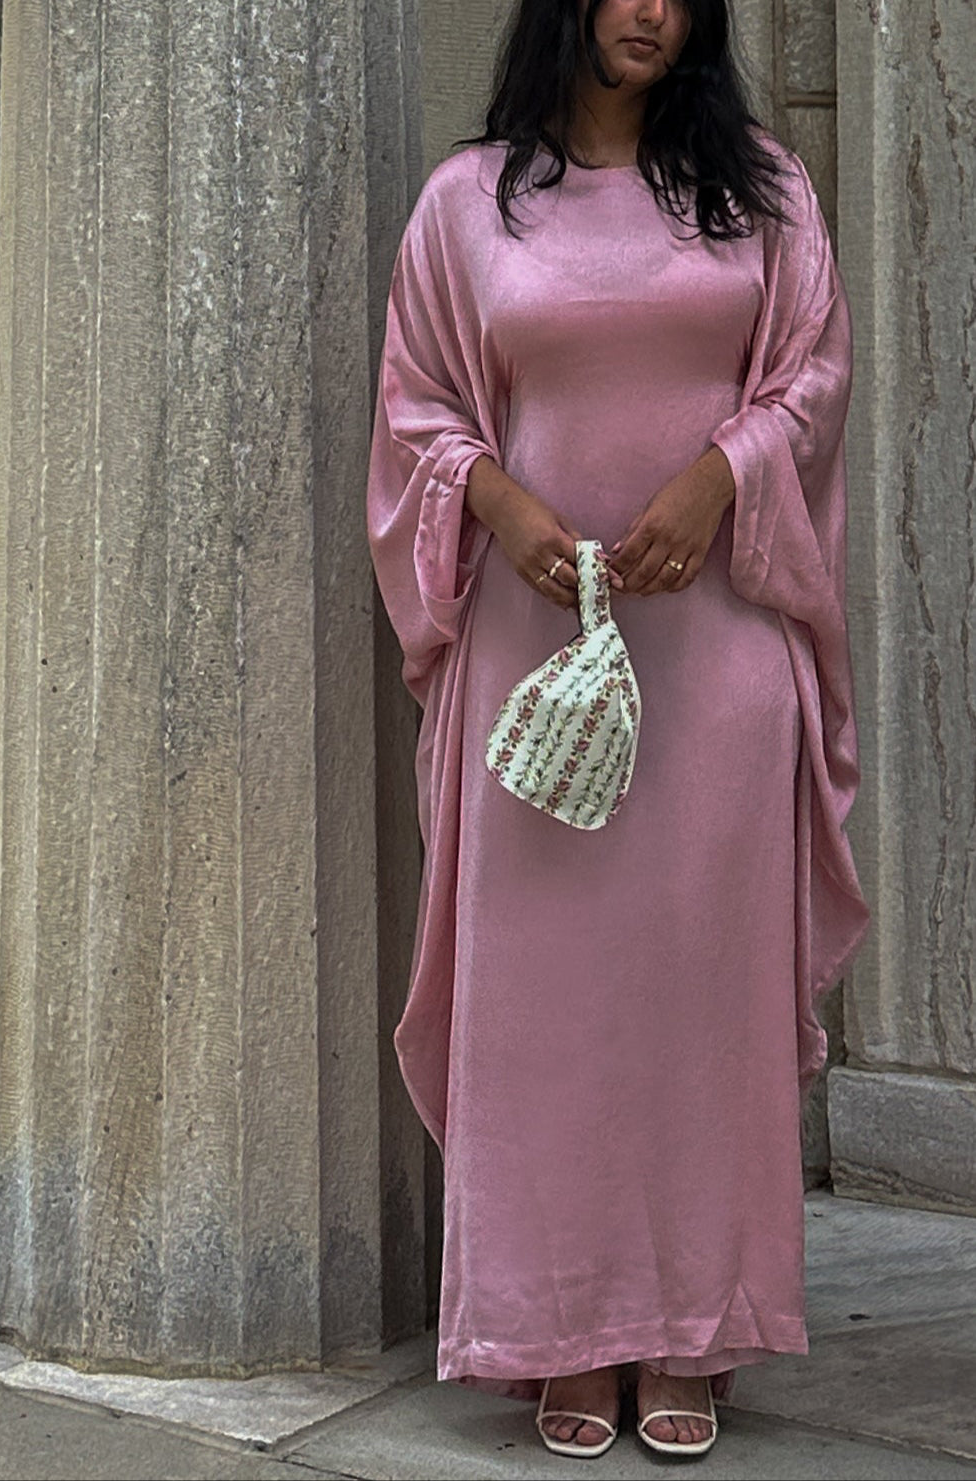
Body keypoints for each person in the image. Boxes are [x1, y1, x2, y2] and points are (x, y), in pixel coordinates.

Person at [366, 0, 869, 1459]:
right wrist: (497, 499)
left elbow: (814, 377)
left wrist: (724, 472)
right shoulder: (471, 204)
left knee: (700, 1002)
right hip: (536, 656)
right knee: (552, 1006)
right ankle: (557, 1328)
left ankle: (696, 1330)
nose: (652, 6)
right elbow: (414, 410)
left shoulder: (762, 190)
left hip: (717, 655)